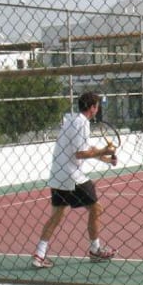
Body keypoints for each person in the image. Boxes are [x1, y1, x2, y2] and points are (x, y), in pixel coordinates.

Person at [32, 91, 118, 269]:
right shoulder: (83, 124)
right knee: (96, 208)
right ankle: (95, 250)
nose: (98, 109)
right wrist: (105, 151)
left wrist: (106, 159)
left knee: (56, 216)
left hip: (57, 176)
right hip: (73, 176)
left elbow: (86, 148)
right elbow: (80, 153)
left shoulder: (71, 120)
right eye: (97, 106)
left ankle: (39, 255)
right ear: (93, 108)